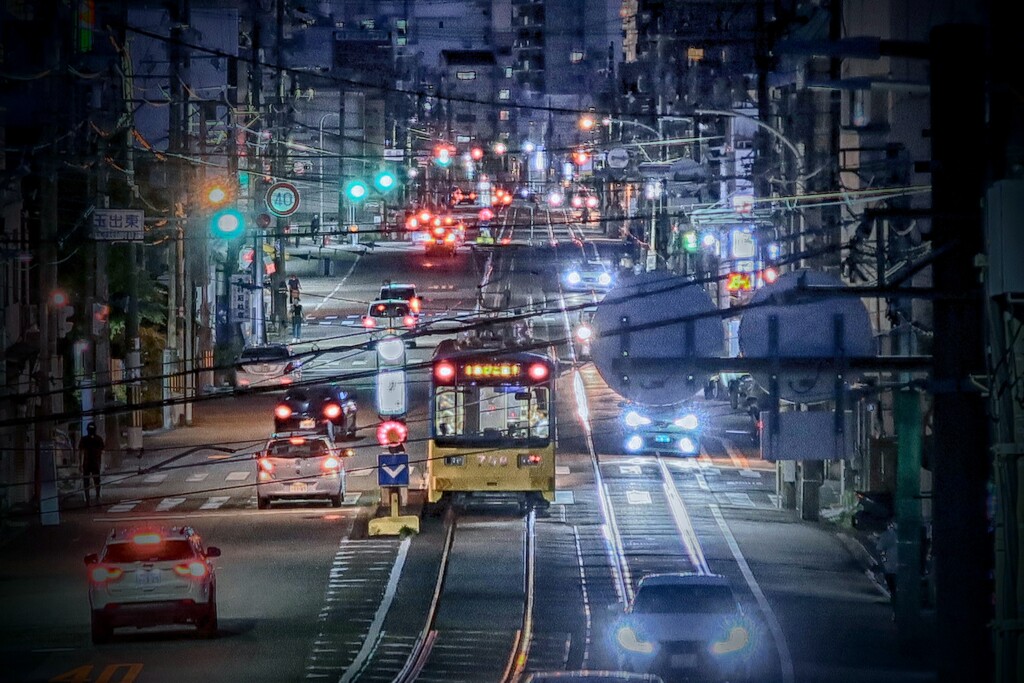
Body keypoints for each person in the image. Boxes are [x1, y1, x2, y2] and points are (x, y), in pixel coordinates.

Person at [78, 422, 104, 505]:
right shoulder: (99, 439)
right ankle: (97, 496)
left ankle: (88, 498)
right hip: (95, 463)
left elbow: (81, 452)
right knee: (97, 480)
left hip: (86, 463)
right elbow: (102, 452)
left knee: (86, 481)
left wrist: (80, 464)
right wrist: (102, 464)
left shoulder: (84, 439)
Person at [876, 519, 899, 611]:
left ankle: (896, 609)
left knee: (894, 590)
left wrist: (882, 564)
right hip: (894, 568)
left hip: (891, 568)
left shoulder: (887, 535)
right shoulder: (888, 535)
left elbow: (879, 550)